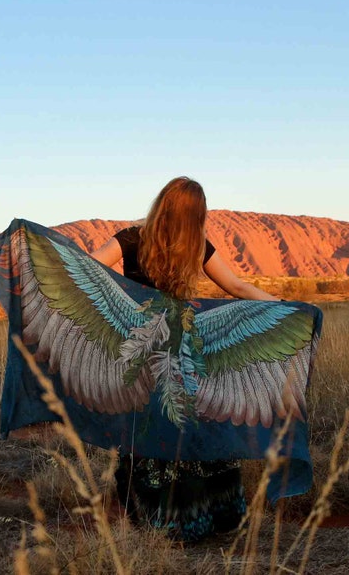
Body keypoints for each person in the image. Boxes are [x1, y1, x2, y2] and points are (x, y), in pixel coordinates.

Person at [90, 177, 279, 542]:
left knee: (146, 431)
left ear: (162, 203)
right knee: (190, 426)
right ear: (196, 214)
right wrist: (284, 306)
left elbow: (89, 270)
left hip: (143, 349)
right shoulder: (195, 245)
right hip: (183, 348)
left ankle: (155, 521)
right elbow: (239, 287)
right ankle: (197, 518)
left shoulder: (130, 238)